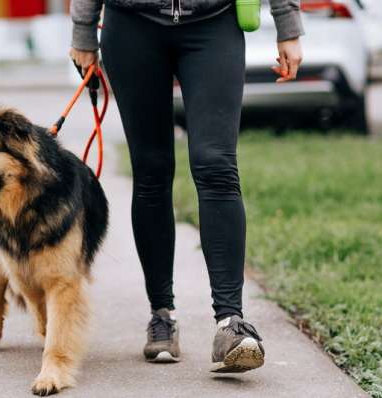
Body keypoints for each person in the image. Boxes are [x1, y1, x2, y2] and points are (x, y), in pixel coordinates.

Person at [70, 0, 303, 371]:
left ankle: (231, 322)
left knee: (217, 165)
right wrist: (84, 29)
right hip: (131, 24)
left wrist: (287, 24)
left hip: (213, 23)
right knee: (151, 169)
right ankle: (161, 314)